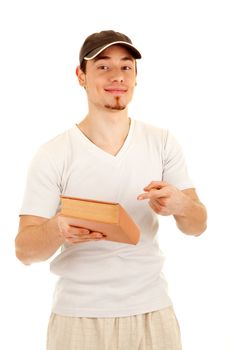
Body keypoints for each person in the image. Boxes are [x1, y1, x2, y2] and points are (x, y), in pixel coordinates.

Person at [15, 30, 207, 350]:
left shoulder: (162, 142)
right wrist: (58, 227)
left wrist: (182, 205)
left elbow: (198, 225)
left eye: (126, 66)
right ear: (81, 76)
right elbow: (24, 250)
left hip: (152, 313)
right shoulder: (53, 154)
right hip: (78, 318)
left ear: (136, 77)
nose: (117, 76)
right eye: (103, 66)